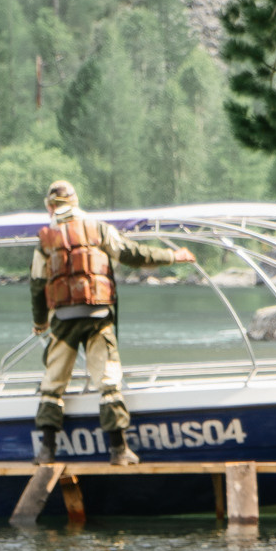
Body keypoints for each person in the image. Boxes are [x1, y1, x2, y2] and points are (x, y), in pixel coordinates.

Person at [29, 179, 196, 468]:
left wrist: (40, 322)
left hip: (64, 321)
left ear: (50, 207)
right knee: (108, 382)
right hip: (98, 317)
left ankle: (46, 451)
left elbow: (37, 284)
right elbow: (133, 254)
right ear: (75, 201)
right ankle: (119, 450)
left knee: (53, 383)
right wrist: (173, 255)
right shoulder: (99, 228)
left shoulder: (46, 238)